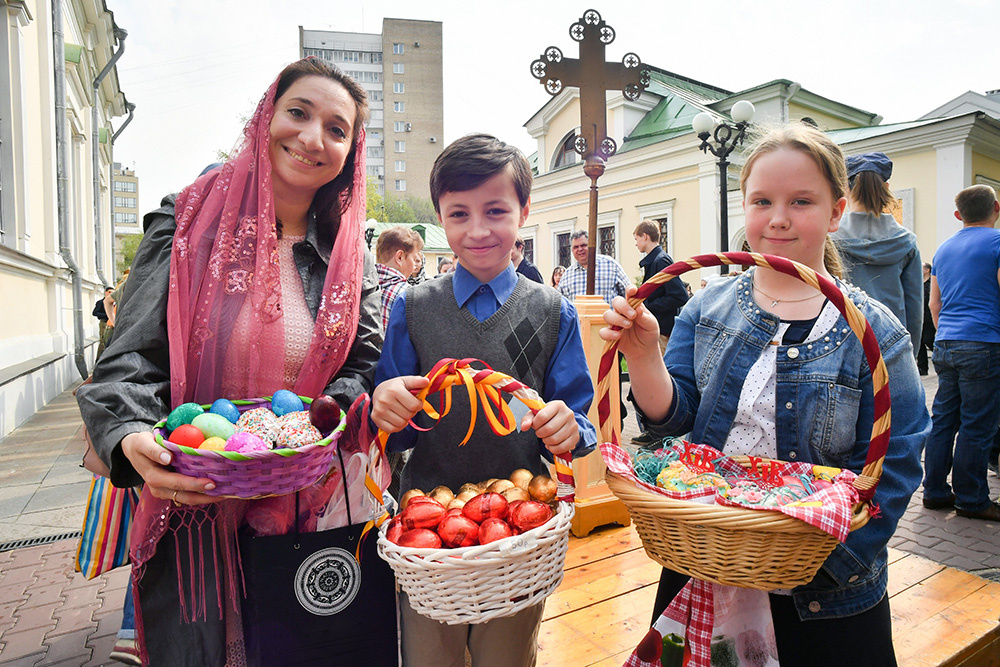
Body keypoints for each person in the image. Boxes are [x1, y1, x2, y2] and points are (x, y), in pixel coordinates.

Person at [76, 58, 383, 665]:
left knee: (307, 646)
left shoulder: (352, 252)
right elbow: (129, 355)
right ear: (265, 115)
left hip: (308, 504)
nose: (312, 137)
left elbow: (363, 361)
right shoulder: (186, 222)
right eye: (298, 112)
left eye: (337, 128)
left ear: (351, 152)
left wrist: (322, 423)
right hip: (193, 500)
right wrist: (131, 434)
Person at [601, 123, 928, 666]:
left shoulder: (874, 332)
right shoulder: (707, 309)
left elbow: (895, 461)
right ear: (744, 207)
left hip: (824, 592)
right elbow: (672, 420)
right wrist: (642, 356)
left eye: (801, 201)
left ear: (836, 211)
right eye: (762, 200)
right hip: (708, 554)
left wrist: (828, 558)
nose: (778, 217)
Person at [372, 133, 597, 666]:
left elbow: (578, 420)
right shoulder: (413, 307)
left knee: (508, 653)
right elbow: (391, 427)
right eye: (458, 214)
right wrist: (384, 404)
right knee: (430, 655)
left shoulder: (551, 311)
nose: (477, 230)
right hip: (423, 530)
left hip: (520, 533)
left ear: (523, 210)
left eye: (496, 211)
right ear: (439, 218)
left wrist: (572, 430)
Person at [922, 184, 1000, 522]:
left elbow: (933, 303)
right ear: (996, 208)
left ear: (958, 215)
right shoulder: (997, 243)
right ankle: (971, 499)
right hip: (984, 342)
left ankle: (935, 492)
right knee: (977, 426)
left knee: (943, 422)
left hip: (946, 343)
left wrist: (947, 335)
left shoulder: (943, 249)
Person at [832, 152, 923, 353]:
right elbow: (914, 307)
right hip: (890, 341)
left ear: (846, 188)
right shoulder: (906, 242)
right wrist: (911, 354)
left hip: (840, 341)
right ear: (887, 188)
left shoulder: (830, 239)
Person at [629, 221, 688, 446]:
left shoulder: (660, 260)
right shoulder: (655, 260)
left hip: (661, 332)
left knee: (656, 384)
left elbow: (679, 295)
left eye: (636, 238)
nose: (635, 243)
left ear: (645, 236)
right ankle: (652, 433)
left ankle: (659, 435)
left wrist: (647, 308)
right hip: (658, 330)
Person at [558, 229, 630, 306]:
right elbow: (561, 307)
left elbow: (628, 294)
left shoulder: (611, 265)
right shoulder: (566, 276)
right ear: (572, 250)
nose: (580, 249)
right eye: (576, 247)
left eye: (583, 245)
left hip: (608, 317)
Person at [375, 225, 424, 329]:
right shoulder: (408, 295)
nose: (414, 265)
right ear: (400, 257)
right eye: (414, 259)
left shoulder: (361, 288)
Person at [917, 262, 935, 375]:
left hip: (929, 318)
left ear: (927, 270)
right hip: (920, 317)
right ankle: (922, 368)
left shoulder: (932, 284)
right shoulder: (919, 284)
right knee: (919, 344)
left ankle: (941, 359)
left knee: (929, 340)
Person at [93, 286, 113, 358]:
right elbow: (95, 313)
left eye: (112, 292)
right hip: (104, 323)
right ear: (105, 293)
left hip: (112, 323)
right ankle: (99, 360)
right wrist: (107, 315)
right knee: (103, 342)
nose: (111, 294)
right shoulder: (100, 302)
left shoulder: (114, 303)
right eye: (109, 292)